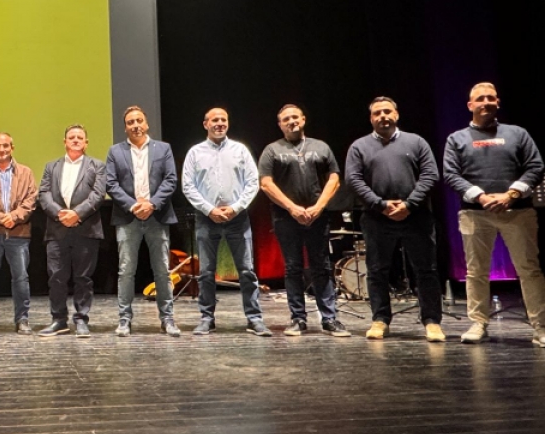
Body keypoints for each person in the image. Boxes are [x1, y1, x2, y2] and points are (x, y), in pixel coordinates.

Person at [443, 82, 545, 346]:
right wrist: (481, 196)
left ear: (498, 102)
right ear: (470, 105)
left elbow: (535, 167)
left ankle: (541, 327)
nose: (486, 102)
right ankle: (479, 323)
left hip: (518, 212)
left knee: (529, 270)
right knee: (476, 272)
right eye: (480, 99)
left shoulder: (517, 133)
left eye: (491, 98)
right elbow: (451, 174)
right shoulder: (456, 139)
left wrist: (511, 194)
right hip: (475, 214)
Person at [345, 97, 445, 342]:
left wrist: (409, 204)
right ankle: (380, 320)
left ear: (396, 115)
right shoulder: (359, 146)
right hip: (377, 218)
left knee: (426, 270)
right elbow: (353, 180)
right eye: (377, 113)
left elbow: (431, 175)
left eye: (387, 111)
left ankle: (432, 321)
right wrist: (381, 205)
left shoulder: (416, 142)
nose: (383, 116)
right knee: (377, 271)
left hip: (416, 216)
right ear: (371, 118)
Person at [258, 105, 350, 337]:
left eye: (295, 117)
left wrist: (319, 207)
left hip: (317, 216)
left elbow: (334, 179)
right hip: (286, 218)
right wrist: (292, 208)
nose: (291, 121)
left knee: (322, 266)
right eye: (286, 119)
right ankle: (298, 319)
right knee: (293, 268)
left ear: (303, 119)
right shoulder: (272, 150)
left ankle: (329, 319)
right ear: (280, 124)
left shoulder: (321, 147)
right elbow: (266, 184)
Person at [182, 108, 269, 337]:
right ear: (205, 124)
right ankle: (207, 319)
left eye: (223, 119)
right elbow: (188, 186)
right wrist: (209, 210)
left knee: (247, 271)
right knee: (206, 272)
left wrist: (235, 208)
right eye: (215, 120)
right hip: (206, 218)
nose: (219, 123)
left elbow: (253, 183)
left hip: (237, 219)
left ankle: (254, 318)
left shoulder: (240, 150)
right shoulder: (195, 152)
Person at [105, 106, 181, 337]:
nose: (135, 125)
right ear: (125, 128)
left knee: (162, 271)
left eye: (139, 121)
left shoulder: (163, 149)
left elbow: (170, 179)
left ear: (146, 124)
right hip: (128, 218)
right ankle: (124, 320)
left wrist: (152, 204)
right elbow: (111, 184)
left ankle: (167, 319)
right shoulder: (115, 151)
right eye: (130, 122)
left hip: (157, 216)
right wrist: (133, 206)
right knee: (126, 271)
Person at [37, 124, 107, 338]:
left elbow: (98, 194)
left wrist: (76, 214)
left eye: (80, 137)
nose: (75, 140)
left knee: (83, 278)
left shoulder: (97, 166)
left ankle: (81, 320)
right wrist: (60, 214)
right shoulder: (51, 166)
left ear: (86, 143)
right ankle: (59, 320)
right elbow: (44, 194)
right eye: (71, 137)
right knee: (56, 277)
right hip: (57, 229)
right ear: (65, 142)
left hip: (85, 229)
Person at [0, 133, 38, 335]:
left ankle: (22, 319)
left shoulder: (26, 172)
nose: (1, 149)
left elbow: (31, 200)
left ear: (12, 148)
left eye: (5, 146)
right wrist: (0, 218)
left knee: (20, 278)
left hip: (18, 233)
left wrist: (14, 216)